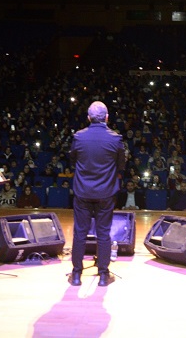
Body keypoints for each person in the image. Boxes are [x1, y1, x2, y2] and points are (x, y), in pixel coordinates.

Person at [68, 101, 125, 287]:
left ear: (88, 118)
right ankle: (103, 275)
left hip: (83, 192)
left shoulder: (78, 137)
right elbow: (121, 166)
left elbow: (72, 161)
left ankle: (77, 275)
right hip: (106, 193)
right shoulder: (115, 139)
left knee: (80, 233)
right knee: (103, 234)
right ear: (107, 118)